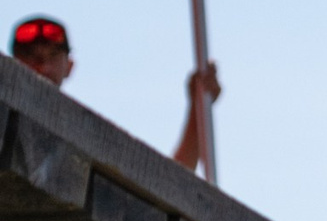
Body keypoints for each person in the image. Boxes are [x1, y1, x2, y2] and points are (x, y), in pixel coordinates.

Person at [11, 13, 220, 171]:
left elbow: (170, 185)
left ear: (70, 67)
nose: (42, 67)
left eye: (53, 56)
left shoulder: (85, 135)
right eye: (30, 56)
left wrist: (197, 108)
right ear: (12, 63)